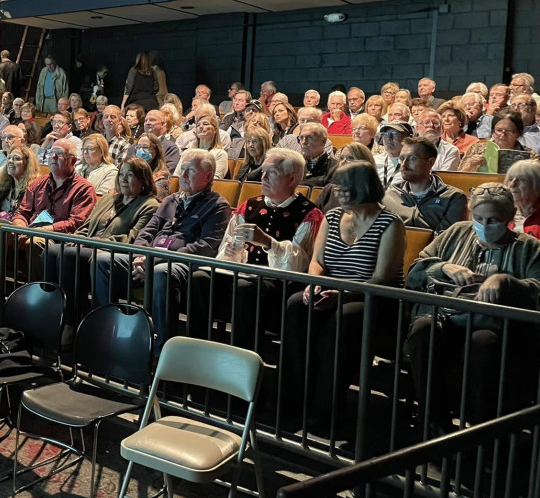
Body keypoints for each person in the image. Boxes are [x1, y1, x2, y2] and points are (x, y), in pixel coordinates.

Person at [405, 184, 540, 432]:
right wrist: (443, 267)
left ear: (508, 218)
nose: (485, 226)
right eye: (479, 218)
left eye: (493, 219)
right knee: (423, 330)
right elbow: (415, 272)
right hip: (447, 315)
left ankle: (479, 427)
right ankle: (433, 419)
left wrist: (508, 281)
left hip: (494, 324)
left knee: (483, 343)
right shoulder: (455, 232)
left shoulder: (528, 247)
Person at [282, 162, 406, 421]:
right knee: (296, 304)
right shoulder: (334, 216)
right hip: (333, 290)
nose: (337, 191)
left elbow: (382, 278)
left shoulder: (390, 223)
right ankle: (293, 397)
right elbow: (317, 262)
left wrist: (343, 294)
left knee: (347, 317)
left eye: (344, 186)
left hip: (373, 298)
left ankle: (324, 407)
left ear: (363, 187)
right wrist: (314, 284)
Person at [93, 149, 231, 350]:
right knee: (103, 260)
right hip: (149, 258)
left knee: (162, 272)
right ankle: (104, 329)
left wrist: (153, 260)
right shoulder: (171, 200)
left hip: (181, 265)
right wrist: (141, 255)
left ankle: (159, 347)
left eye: (189, 170)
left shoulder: (218, 206)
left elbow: (205, 247)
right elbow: (147, 233)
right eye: (182, 169)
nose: (182, 175)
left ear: (208, 176)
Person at [190, 148, 324, 346]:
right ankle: (194, 347)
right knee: (200, 278)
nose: (263, 177)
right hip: (243, 273)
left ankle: (242, 358)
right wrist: (232, 252)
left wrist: (268, 242)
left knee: (245, 288)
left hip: (278, 280)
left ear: (292, 179)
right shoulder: (250, 205)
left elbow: (299, 264)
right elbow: (228, 246)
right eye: (263, 171)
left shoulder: (308, 214)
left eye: (272, 173)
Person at [43, 158, 159, 331]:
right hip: (88, 245)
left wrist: (94, 243)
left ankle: (70, 322)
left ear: (143, 180)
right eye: (121, 174)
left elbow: (132, 238)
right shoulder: (107, 199)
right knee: (51, 251)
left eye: (130, 175)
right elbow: (87, 226)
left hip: (111, 252)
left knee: (69, 255)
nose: (124, 179)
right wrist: (76, 240)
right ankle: (52, 313)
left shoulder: (149, 205)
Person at [382, 136, 468, 232]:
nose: (404, 164)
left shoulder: (453, 198)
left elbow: (447, 239)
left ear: (430, 162)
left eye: (412, 158)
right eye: (402, 158)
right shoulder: (389, 197)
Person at [11, 138, 97, 234]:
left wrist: (43, 230)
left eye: (59, 153)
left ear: (73, 160)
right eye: (51, 152)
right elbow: (22, 213)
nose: (54, 156)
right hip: (30, 232)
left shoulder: (84, 189)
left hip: (59, 239)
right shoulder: (37, 184)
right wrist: (20, 227)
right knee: (3, 236)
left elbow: (76, 223)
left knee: (34, 242)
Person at [459, 109, 538, 172]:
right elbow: (459, 177)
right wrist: (470, 166)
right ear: (493, 132)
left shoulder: (530, 155)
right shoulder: (477, 149)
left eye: (509, 131)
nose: (503, 135)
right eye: (499, 130)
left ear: (519, 133)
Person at [0, 145, 39, 219]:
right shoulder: (4, 185)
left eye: (16, 158)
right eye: (9, 158)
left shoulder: (34, 190)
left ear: (27, 164)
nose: (10, 161)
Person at [173, 113, 228, 179]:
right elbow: (175, 177)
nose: (201, 127)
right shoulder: (187, 152)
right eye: (198, 125)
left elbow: (216, 180)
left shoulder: (220, 154)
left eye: (205, 124)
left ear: (215, 130)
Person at [133, 132, 172, 199]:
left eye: (145, 147)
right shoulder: (132, 170)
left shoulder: (163, 175)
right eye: (138, 147)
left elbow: (156, 200)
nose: (141, 151)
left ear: (156, 150)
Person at [298, 123, 339, 187]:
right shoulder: (293, 165)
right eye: (301, 137)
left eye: (309, 138)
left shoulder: (336, 168)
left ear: (323, 141)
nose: (303, 142)